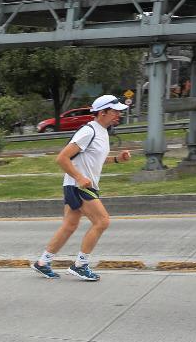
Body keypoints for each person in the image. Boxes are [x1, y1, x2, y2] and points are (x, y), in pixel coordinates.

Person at [32, 95, 133, 281]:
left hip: (79, 184)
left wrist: (118, 159)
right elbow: (62, 158)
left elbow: (95, 160)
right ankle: (80, 265)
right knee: (102, 221)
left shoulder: (102, 131)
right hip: (78, 185)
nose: (119, 114)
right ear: (102, 113)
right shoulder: (88, 131)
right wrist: (79, 177)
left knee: (69, 225)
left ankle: (43, 262)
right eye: (115, 111)